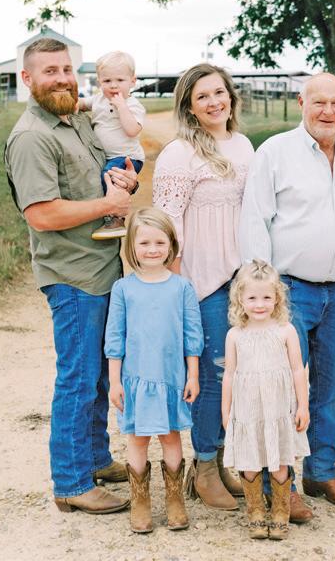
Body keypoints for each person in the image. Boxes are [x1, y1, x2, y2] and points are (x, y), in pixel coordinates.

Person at [4, 37, 138, 514]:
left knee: (99, 374)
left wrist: (124, 180)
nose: (61, 78)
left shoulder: (75, 119)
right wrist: (108, 204)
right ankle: (72, 482)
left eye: (66, 69)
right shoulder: (31, 137)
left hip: (102, 268)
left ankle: (96, 458)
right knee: (78, 378)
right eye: (50, 71)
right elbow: (41, 214)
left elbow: (107, 166)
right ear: (27, 78)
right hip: (72, 275)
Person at [239, 72, 335, 518]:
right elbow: (254, 221)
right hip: (288, 290)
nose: (328, 111)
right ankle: (281, 486)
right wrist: (261, 293)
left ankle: (322, 470)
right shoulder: (275, 152)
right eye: (319, 102)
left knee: (332, 386)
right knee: (282, 389)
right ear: (301, 103)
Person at [153, 63, 254, 511]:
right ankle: (205, 468)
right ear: (190, 108)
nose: (214, 103)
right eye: (203, 97)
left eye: (219, 93)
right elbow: (167, 226)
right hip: (202, 280)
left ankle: (223, 459)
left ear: (231, 96)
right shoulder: (179, 154)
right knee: (212, 376)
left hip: (242, 280)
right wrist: (176, 289)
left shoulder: (244, 146)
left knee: (239, 373)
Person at [104, 207, 203, 533]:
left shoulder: (182, 287)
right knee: (138, 439)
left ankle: (175, 500)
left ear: (171, 245)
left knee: (171, 437)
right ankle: (140, 501)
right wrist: (115, 381)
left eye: (160, 242)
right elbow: (115, 338)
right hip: (136, 380)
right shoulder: (123, 289)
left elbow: (192, 336)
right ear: (132, 246)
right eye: (144, 243)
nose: (152, 249)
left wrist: (192, 375)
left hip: (171, 378)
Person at [221, 260, 310, 540]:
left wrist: (303, 405)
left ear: (277, 298)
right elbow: (229, 375)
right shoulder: (235, 335)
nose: (259, 305)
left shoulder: (286, 330)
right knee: (249, 459)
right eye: (252, 298)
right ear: (240, 299)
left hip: (278, 408)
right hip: (247, 410)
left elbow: (298, 370)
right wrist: (226, 411)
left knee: (280, 459)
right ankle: (256, 512)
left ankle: (280, 512)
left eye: (266, 298)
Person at [78, 51, 146, 240]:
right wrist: (73, 104)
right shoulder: (98, 99)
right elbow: (82, 104)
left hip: (127, 157)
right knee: (103, 177)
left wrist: (121, 106)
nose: (113, 85)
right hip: (107, 156)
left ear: (132, 81)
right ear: (99, 82)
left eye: (120, 80)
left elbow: (132, 130)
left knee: (109, 177)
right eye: (107, 81)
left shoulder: (133, 105)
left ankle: (116, 220)